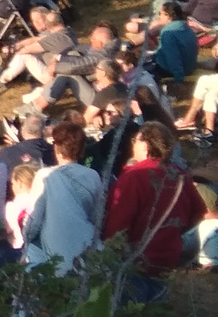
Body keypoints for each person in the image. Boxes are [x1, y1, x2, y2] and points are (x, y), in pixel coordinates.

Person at [103, 123, 205, 296]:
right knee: (154, 315)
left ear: (145, 145)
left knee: (127, 314)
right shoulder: (180, 175)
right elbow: (198, 211)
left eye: (135, 140)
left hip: (134, 259)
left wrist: (109, 250)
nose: (133, 144)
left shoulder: (133, 177)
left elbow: (117, 224)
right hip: (167, 257)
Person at [22, 121, 101, 275]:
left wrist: (24, 244)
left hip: (56, 250)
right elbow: (96, 217)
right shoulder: (93, 176)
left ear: (56, 148)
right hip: (86, 247)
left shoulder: (45, 176)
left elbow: (33, 221)